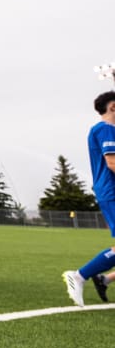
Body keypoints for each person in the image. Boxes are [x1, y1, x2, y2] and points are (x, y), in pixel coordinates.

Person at [62, 91, 115, 307]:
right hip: (111, 192)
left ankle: (98, 278)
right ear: (113, 107)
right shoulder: (105, 129)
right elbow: (111, 163)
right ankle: (79, 276)